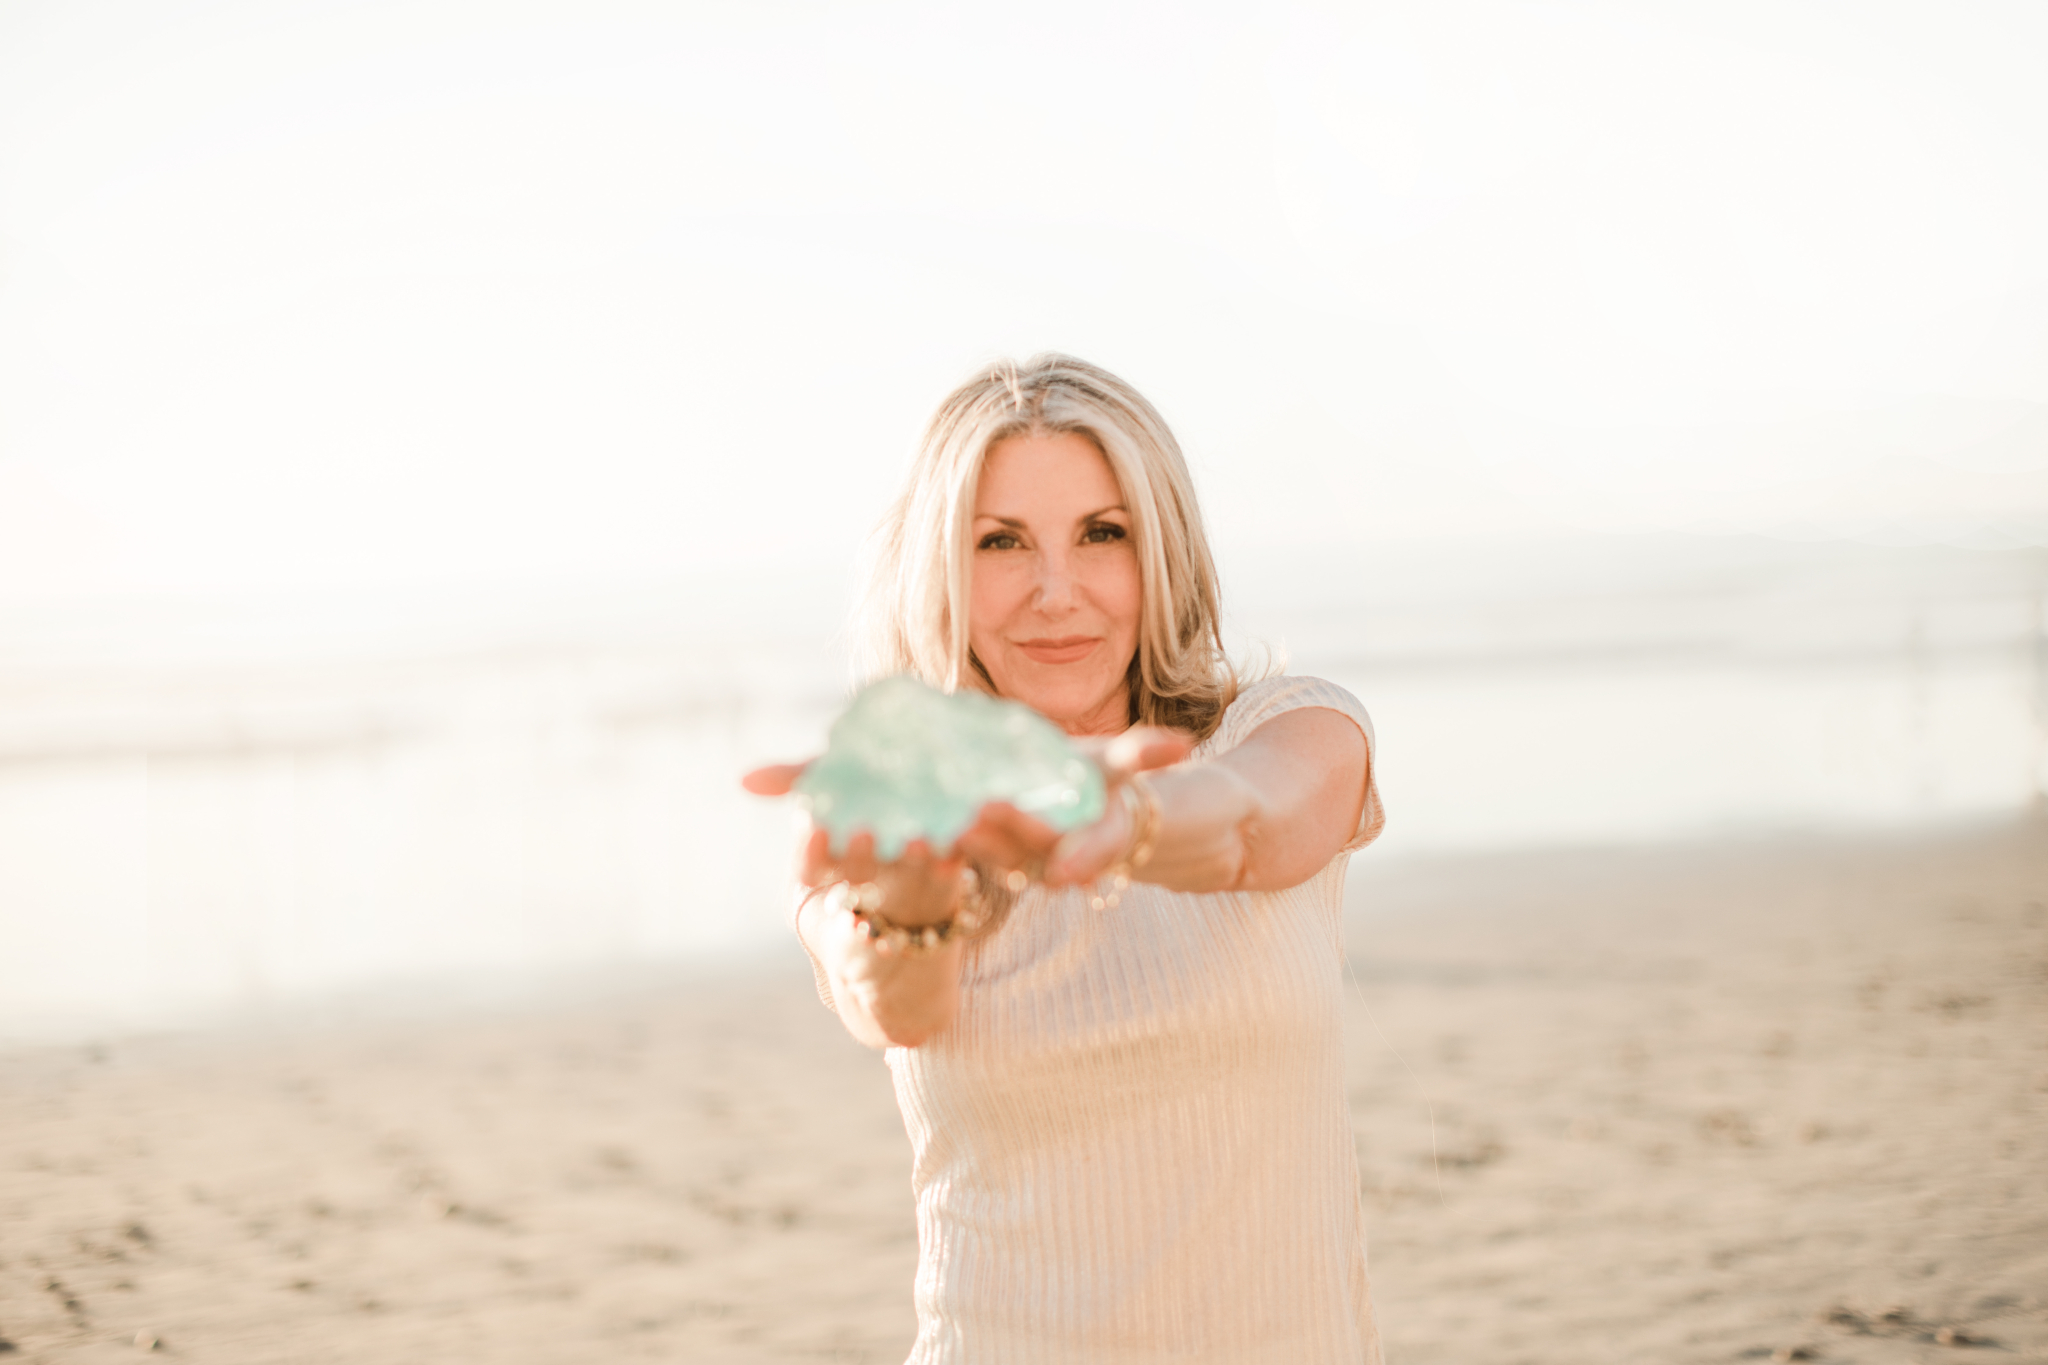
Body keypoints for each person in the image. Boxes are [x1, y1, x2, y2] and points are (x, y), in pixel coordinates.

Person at [744, 354, 1386, 1364]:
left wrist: (1115, 821)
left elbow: (1246, 823)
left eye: (1102, 534)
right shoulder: (879, 809)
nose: (1054, 593)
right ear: (939, 570)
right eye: (999, 541)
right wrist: (914, 888)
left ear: (1160, 550)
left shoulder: (1291, 728)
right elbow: (889, 1004)